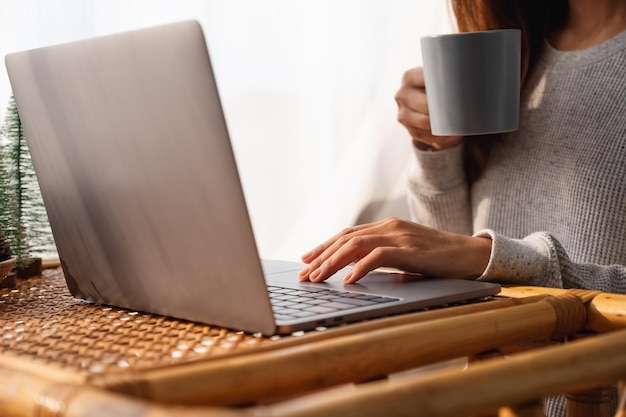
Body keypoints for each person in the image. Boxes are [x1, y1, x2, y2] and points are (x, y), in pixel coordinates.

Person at [298, 0, 626, 415]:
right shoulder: (515, 44)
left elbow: (476, 258)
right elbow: (455, 261)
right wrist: (438, 150)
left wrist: (493, 257)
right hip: (488, 399)